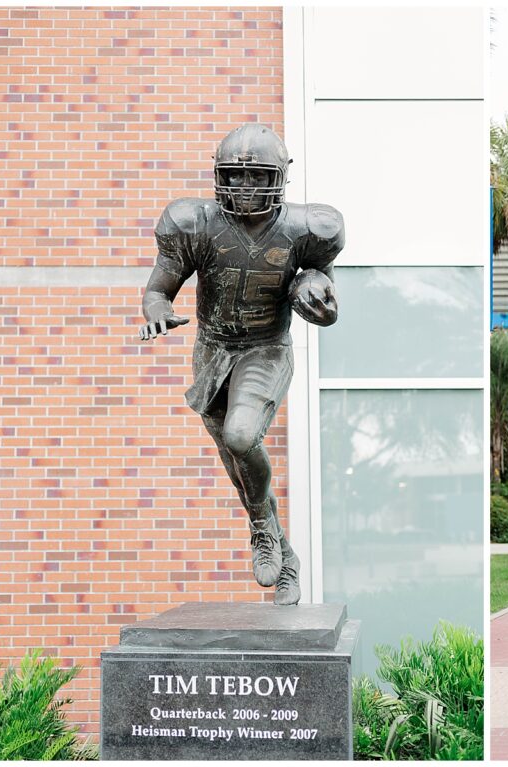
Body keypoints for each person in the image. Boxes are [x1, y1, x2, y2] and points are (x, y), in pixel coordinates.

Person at [139, 124, 344, 606]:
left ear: (280, 177)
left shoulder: (307, 228)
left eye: (257, 176)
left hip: (265, 347)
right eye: (236, 175)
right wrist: (157, 312)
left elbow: (324, 288)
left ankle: (261, 529)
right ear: (219, 176)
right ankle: (281, 549)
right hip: (212, 350)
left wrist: (319, 300)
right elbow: (157, 289)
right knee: (239, 466)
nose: (246, 187)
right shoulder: (195, 223)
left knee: (241, 435)